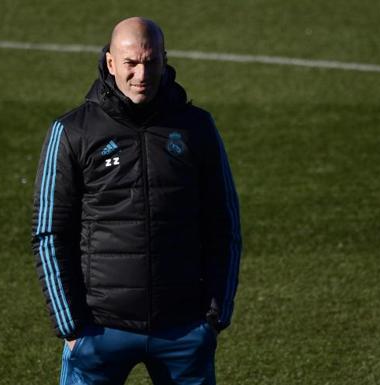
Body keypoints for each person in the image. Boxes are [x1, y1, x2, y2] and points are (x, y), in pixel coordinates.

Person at [32, 16, 241, 385]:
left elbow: (224, 223)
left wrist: (214, 316)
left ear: (164, 59)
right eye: (130, 63)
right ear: (111, 63)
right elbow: (50, 232)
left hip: (183, 329)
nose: (142, 74)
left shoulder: (197, 127)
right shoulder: (72, 131)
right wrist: (71, 327)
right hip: (98, 331)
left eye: (151, 61)